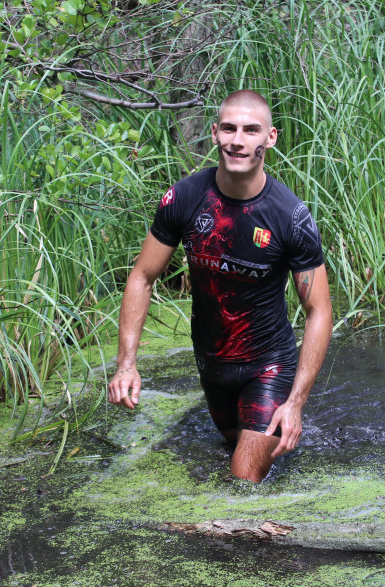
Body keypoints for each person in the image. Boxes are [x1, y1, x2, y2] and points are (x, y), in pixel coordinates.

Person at [107, 90, 333, 483]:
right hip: (212, 362)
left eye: (250, 130)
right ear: (214, 133)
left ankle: (278, 425)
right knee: (230, 446)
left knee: (242, 481)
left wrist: (295, 403)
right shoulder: (184, 198)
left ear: (270, 138)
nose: (238, 140)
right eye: (228, 128)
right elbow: (142, 276)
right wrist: (126, 364)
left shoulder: (290, 217)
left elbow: (319, 310)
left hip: (269, 363)